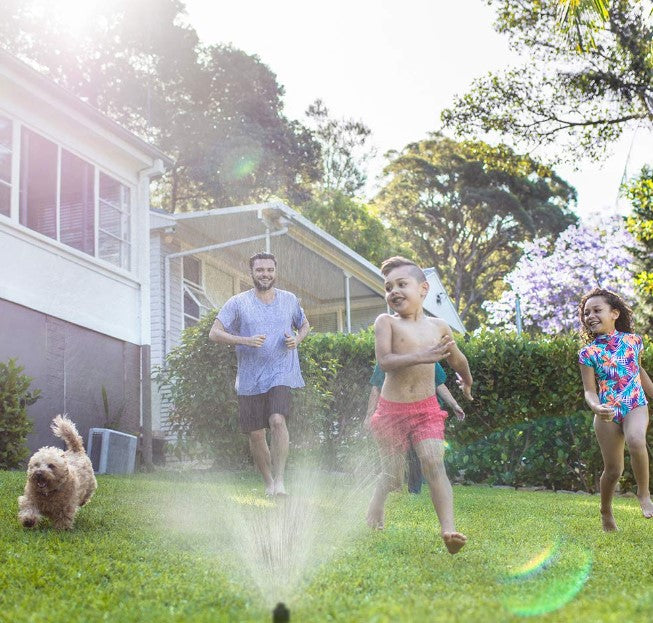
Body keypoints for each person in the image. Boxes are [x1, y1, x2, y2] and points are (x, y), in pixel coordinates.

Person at [366, 256, 473, 554]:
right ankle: (376, 505)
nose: (394, 291)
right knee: (392, 476)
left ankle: (449, 530)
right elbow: (385, 362)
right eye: (389, 287)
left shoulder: (439, 327)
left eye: (402, 284)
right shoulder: (386, 322)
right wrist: (422, 357)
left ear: (423, 289)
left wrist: (466, 379)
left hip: (425, 409)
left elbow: (457, 358)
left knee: (433, 461)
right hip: (391, 410)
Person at [209, 252, 310, 497]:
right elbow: (214, 333)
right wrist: (244, 340)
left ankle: (280, 480)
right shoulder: (237, 302)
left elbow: (304, 325)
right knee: (256, 434)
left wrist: (296, 339)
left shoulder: (289, 300)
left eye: (269, 270)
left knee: (277, 420)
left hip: (281, 373)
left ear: (276, 272)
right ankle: (268, 483)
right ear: (251, 273)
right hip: (250, 379)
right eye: (260, 270)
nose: (265, 274)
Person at [578, 287, 653, 531]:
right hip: (607, 412)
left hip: (635, 405)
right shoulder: (588, 353)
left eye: (597, 310)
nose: (590, 316)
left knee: (636, 440)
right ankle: (606, 512)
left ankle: (643, 493)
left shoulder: (633, 341)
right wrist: (597, 407)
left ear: (615, 313)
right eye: (586, 313)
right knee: (613, 470)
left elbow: (637, 371)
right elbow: (589, 390)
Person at [365, 362, 465, 494]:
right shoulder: (388, 357)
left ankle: (414, 491)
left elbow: (439, 384)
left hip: (423, 415)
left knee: (421, 454)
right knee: (394, 455)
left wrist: (454, 405)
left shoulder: (429, 358)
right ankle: (395, 489)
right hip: (395, 414)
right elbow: (376, 388)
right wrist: (369, 415)